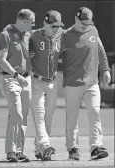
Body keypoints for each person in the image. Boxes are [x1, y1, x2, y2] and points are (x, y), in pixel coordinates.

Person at [61, 7, 111, 161]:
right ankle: (73, 149)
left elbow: (101, 51)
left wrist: (106, 70)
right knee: (72, 117)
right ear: (76, 19)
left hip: (92, 82)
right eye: (83, 22)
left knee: (95, 113)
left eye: (88, 22)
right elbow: (53, 54)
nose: (85, 25)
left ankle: (96, 147)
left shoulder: (93, 31)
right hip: (72, 83)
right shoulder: (65, 35)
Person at [0, 9, 35, 162]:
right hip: (11, 79)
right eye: (31, 21)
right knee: (16, 113)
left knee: (23, 117)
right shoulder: (5, 35)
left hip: (26, 80)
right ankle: (11, 151)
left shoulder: (27, 35)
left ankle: (19, 151)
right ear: (23, 20)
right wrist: (16, 75)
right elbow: (2, 60)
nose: (33, 25)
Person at [29, 10, 64, 161]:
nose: (56, 28)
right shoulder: (33, 36)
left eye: (58, 25)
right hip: (36, 81)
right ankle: (45, 144)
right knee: (39, 115)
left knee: (48, 117)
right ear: (44, 23)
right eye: (52, 25)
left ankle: (39, 149)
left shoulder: (61, 34)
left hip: (53, 82)